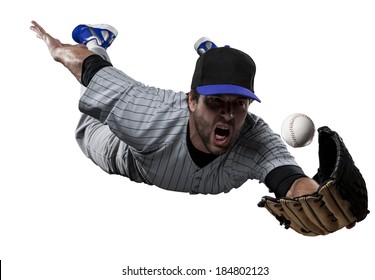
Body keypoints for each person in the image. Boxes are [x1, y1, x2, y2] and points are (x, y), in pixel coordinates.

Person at [30, 21, 319, 197]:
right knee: (87, 126)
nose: (228, 113)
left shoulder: (255, 138)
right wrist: (58, 50)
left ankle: (216, 59)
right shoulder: (151, 116)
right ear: (191, 100)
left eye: (239, 102)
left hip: (167, 157)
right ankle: (96, 39)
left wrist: (310, 196)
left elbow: (292, 180)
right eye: (216, 100)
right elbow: (95, 73)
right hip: (124, 152)